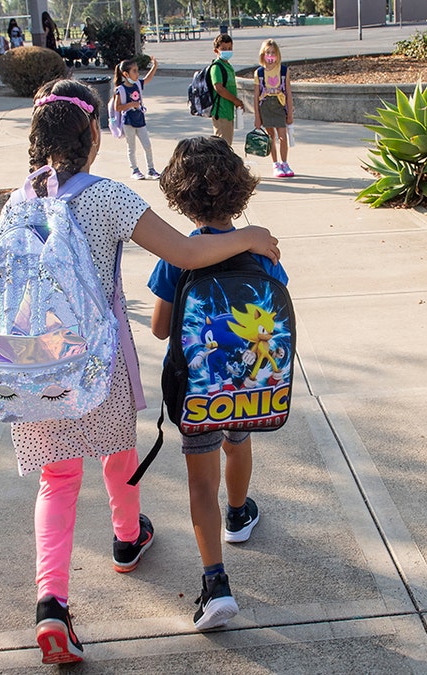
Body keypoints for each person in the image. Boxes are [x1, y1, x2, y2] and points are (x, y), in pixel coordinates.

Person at [16, 78, 280, 665]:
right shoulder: (106, 197)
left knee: (56, 482)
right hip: (97, 361)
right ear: (92, 134)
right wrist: (252, 237)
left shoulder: (20, 199)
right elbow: (185, 254)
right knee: (116, 451)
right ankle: (127, 536)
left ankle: (51, 606)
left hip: (35, 360)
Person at [147, 135, 288, 631]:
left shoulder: (177, 257)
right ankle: (238, 515)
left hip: (196, 390)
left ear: (180, 197)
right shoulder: (263, 250)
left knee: (198, 479)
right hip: (250, 385)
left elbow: (162, 328)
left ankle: (215, 584)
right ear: (240, 191)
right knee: (239, 441)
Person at [112, 56, 160, 180]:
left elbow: (148, 78)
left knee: (147, 145)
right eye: (134, 71)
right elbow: (117, 107)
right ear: (125, 74)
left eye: (137, 70)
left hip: (140, 119)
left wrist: (154, 66)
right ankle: (134, 170)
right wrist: (131, 105)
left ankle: (151, 169)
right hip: (128, 122)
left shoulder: (138, 84)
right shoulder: (120, 89)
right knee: (131, 147)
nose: (137, 74)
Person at [254, 39, 295, 178]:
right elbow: (256, 96)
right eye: (267, 53)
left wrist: (290, 112)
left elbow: (288, 92)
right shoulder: (259, 73)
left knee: (282, 136)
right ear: (263, 55)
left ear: (277, 54)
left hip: (279, 105)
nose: (270, 56)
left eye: (273, 53)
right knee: (271, 137)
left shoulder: (283, 71)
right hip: (265, 106)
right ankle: (275, 163)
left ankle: (285, 162)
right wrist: (257, 117)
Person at [209, 34, 245, 145]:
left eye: (230, 48)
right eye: (224, 49)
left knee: (227, 144)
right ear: (216, 50)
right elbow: (219, 88)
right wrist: (235, 100)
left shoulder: (228, 66)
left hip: (228, 112)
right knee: (222, 145)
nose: (227, 51)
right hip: (221, 112)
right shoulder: (216, 67)